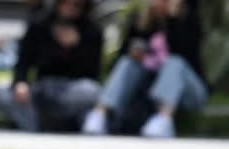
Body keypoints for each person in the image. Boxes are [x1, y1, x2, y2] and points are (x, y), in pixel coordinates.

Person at [81, 0, 207, 138]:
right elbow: (121, 58)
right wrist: (136, 52)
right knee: (128, 62)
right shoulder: (140, 21)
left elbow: (184, 53)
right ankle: (99, 114)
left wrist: (172, 19)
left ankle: (164, 119)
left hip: (189, 89)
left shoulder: (190, 20)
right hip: (150, 88)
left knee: (174, 62)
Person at [0, 0, 104, 132]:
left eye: (76, 5)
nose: (70, 8)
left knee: (93, 92)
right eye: (66, 3)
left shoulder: (92, 30)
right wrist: (20, 82)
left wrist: (75, 47)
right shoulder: (40, 23)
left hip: (73, 89)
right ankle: (32, 130)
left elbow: (91, 72)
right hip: (42, 87)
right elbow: (23, 61)